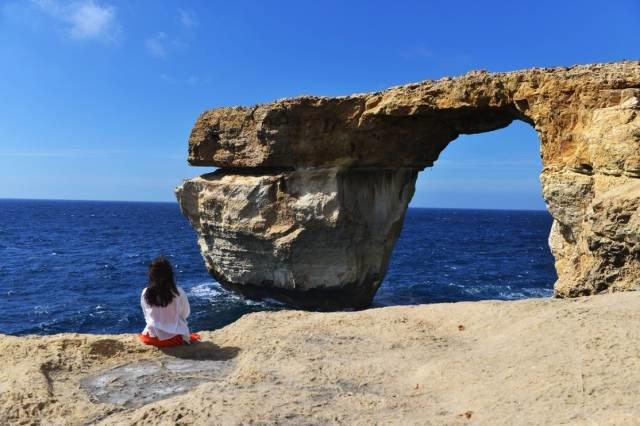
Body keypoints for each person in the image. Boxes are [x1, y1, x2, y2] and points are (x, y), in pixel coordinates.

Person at [138, 257, 200, 347]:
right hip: (174, 338)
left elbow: (146, 316)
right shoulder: (178, 292)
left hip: (151, 338)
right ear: (169, 274)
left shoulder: (145, 292)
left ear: (151, 275)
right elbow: (185, 313)